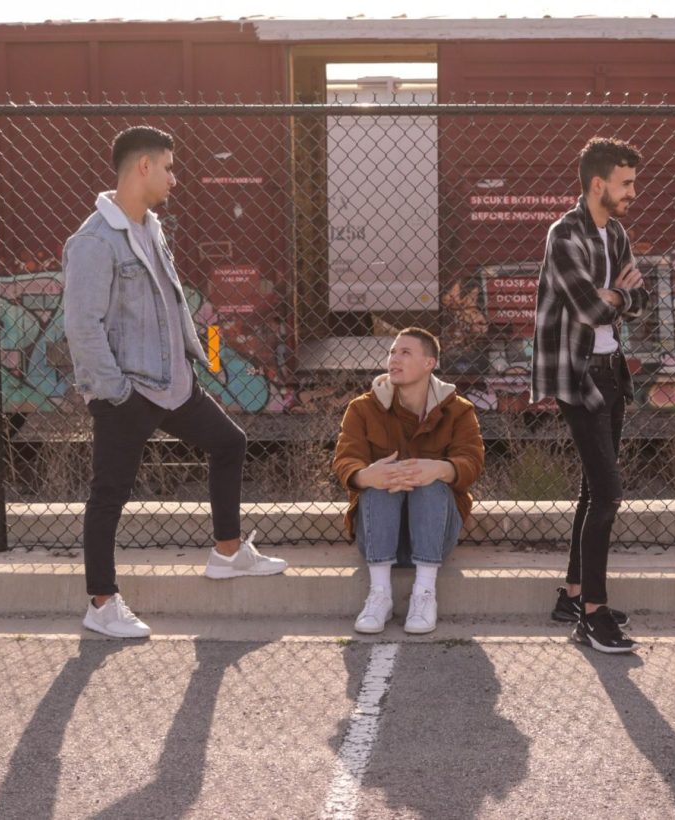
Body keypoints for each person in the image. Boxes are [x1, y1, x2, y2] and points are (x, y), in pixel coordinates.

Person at [63, 126, 286, 639]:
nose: (174, 178)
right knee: (110, 493)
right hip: (129, 391)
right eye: (168, 167)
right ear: (142, 166)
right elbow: (81, 326)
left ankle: (227, 552)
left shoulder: (151, 226)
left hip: (172, 381)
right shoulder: (94, 241)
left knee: (230, 443)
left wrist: (195, 357)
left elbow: (169, 299)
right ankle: (101, 603)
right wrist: (115, 392)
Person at [531, 137, 651, 654]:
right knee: (607, 493)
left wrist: (618, 295)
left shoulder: (616, 232)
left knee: (592, 490)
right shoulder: (565, 234)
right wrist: (618, 295)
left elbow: (640, 300)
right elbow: (588, 310)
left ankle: (575, 596)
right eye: (626, 183)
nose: (633, 193)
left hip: (611, 371)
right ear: (598, 184)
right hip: (577, 374)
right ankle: (593, 619)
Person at [333, 328, 485, 635]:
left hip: (434, 539)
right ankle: (380, 595)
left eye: (405, 352)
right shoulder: (362, 408)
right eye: (392, 352)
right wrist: (365, 475)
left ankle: (424, 594)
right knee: (382, 480)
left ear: (429, 363)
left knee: (429, 482)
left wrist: (440, 469)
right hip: (377, 537)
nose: (394, 359)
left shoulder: (458, 410)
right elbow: (344, 459)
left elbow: (472, 461)